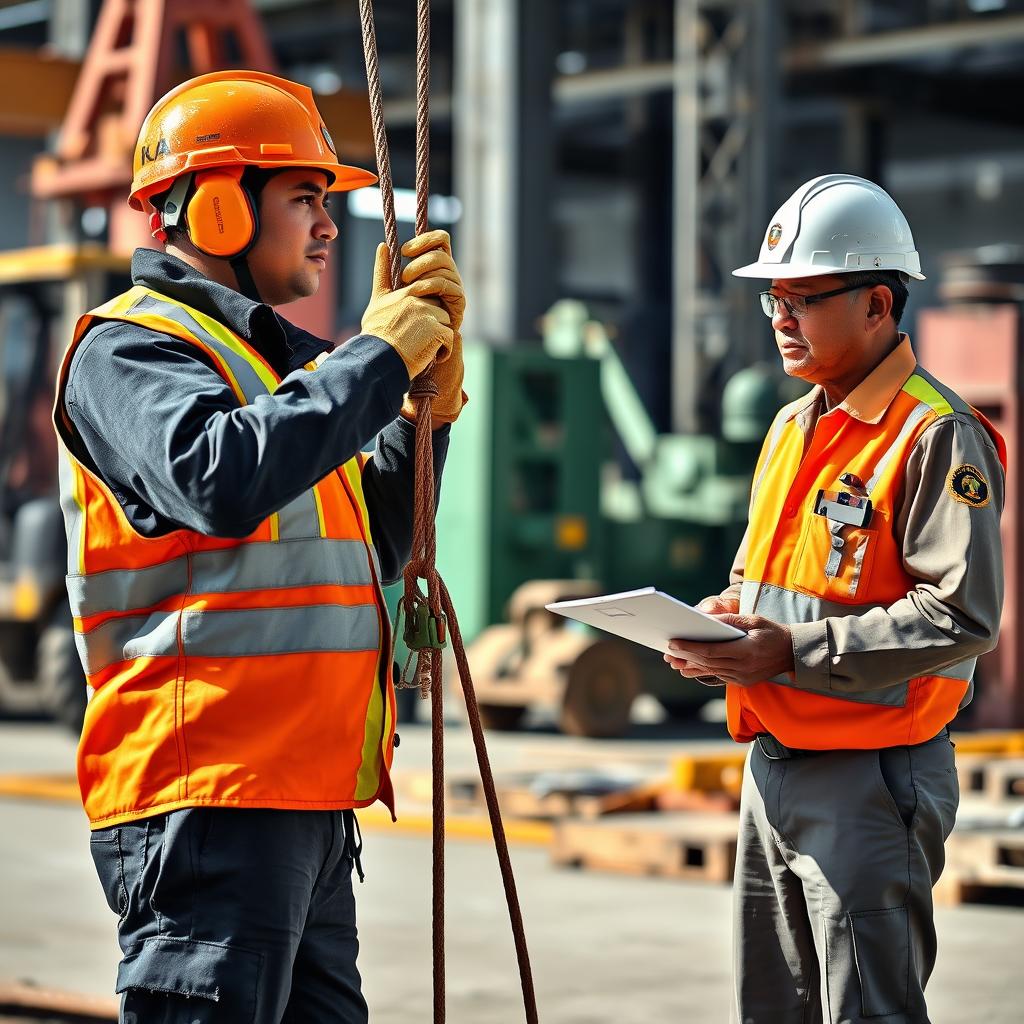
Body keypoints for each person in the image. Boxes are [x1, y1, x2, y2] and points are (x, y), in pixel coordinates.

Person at [52, 70, 467, 1024]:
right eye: (305, 198)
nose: (328, 226)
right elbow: (219, 479)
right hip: (207, 800)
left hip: (301, 805)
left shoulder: (281, 371)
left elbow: (381, 539)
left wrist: (421, 414)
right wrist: (376, 357)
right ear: (220, 208)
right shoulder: (128, 350)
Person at [663, 173, 1006, 1024]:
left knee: (868, 1010)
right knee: (771, 1008)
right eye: (773, 300)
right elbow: (764, 580)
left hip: (871, 776)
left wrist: (786, 651)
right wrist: (721, 626)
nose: (780, 318)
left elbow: (962, 616)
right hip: (772, 763)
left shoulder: (935, 433)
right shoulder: (792, 427)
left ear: (878, 305)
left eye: (802, 300)